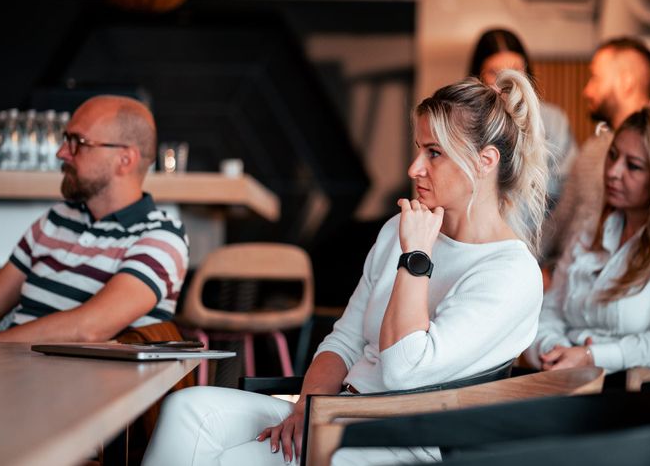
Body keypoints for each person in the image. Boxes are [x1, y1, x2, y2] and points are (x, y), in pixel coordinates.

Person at [142, 70, 549, 466]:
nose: (414, 169)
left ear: (485, 161)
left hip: (399, 439)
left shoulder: (510, 273)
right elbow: (344, 339)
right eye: (419, 149)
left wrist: (416, 260)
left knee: (230, 460)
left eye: (434, 153)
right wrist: (309, 406)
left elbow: (404, 371)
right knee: (187, 410)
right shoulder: (400, 229)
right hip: (338, 410)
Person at [0, 95, 189, 342]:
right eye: (66, 140)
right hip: (8, 371)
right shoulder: (55, 219)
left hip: (82, 380)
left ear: (124, 160)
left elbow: (88, 328)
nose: (61, 153)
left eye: (78, 142)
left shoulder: (162, 237)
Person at [526, 104, 650, 378]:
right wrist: (557, 351)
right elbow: (549, 312)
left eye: (633, 166)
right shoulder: (593, 226)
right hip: (564, 380)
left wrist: (593, 356)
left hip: (632, 395)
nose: (613, 172)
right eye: (613, 156)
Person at [541, 37, 650, 265]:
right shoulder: (591, 150)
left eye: (595, 78)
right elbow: (560, 220)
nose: (587, 90)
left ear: (626, 82)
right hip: (565, 275)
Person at [469, 28, 577, 208]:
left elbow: (568, 187)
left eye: (516, 70)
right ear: (477, 77)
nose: (507, 81)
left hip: (545, 231)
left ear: (527, 73)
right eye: (494, 72)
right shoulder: (465, 122)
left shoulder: (554, 121)